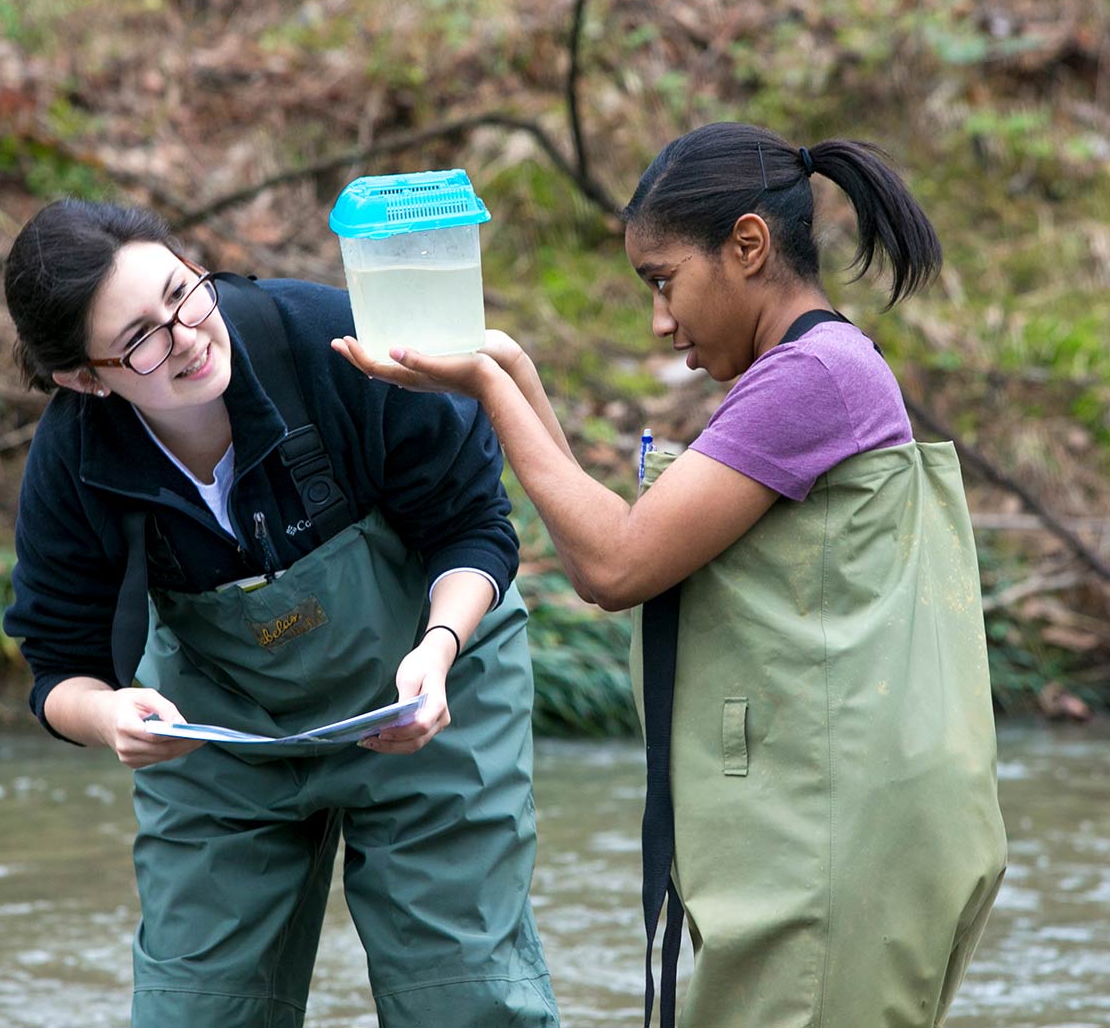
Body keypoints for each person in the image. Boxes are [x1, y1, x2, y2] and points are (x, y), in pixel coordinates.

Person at [335, 122, 1007, 1028]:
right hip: (842, 824)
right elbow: (606, 551)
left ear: (748, 246)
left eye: (664, 282)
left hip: (840, 836)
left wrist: (492, 394)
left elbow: (617, 565)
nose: (660, 320)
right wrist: (510, 370)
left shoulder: (810, 379)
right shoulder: (816, 371)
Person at [0, 199, 559, 1028]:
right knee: (197, 1012)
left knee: (463, 999)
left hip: (432, 689)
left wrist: (438, 649)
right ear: (86, 378)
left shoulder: (331, 344)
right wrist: (110, 713)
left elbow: (472, 528)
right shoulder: (74, 463)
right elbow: (58, 668)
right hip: (222, 737)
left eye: (184, 294)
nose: (186, 335)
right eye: (141, 340)